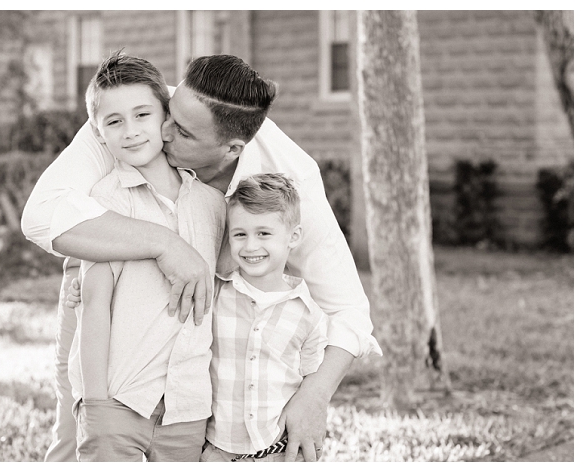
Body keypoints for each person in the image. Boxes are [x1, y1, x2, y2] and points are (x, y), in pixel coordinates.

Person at [22, 54, 382, 462]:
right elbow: (40, 217)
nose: (164, 131)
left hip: (198, 326)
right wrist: (166, 244)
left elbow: (349, 309)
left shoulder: (290, 180)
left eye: (185, 134)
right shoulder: (135, 111)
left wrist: (315, 396)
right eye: (169, 115)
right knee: (79, 433)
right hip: (109, 261)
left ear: (230, 150)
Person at [66, 51, 226, 461]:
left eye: (142, 115)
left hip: (187, 408)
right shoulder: (102, 203)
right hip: (120, 401)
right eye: (114, 121)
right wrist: (96, 402)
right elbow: (94, 306)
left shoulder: (212, 205)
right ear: (99, 134)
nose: (131, 131)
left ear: (166, 119)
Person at [201, 173, 329, 462]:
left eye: (264, 233)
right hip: (216, 450)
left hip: (279, 451)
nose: (250, 246)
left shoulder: (309, 314)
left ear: (292, 237)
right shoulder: (215, 293)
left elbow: (312, 387)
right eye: (240, 234)